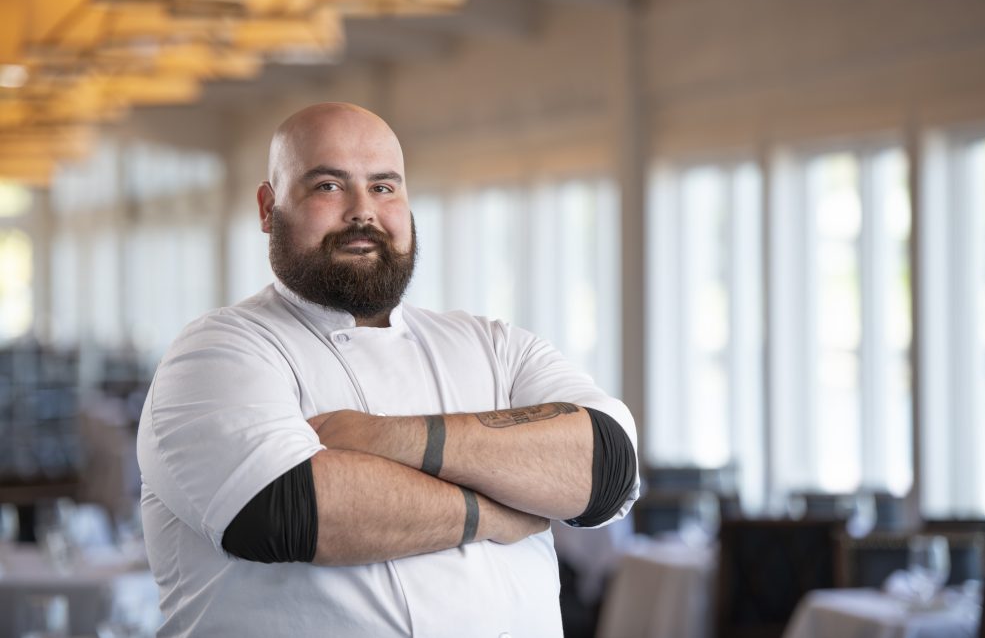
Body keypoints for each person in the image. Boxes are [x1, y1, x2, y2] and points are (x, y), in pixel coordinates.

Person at [136, 102, 639, 637]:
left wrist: (381, 438)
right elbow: (289, 512)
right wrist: (502, 511)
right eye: (328, 186)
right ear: (268, 208)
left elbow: (607, 467)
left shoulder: (494, 345)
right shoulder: (217, 351)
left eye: (383, 187)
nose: (362, 212)